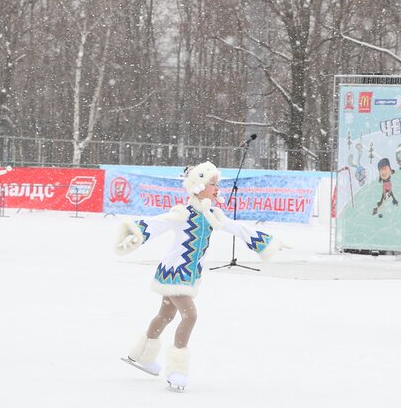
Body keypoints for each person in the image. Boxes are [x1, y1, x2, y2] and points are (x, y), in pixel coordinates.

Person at [115, 161, 286, 392]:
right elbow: (157, 223)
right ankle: (176, 370)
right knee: (190, 316)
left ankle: (142, 355)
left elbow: (238, 229)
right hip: (174, 272)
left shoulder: (212, 214)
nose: (217, 188)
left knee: (165, 315)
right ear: (198, 186)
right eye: (212, 184)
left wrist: (267, 242)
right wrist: (135, 234)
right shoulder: (183, 213)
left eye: (218, 184)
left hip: (186, 275)